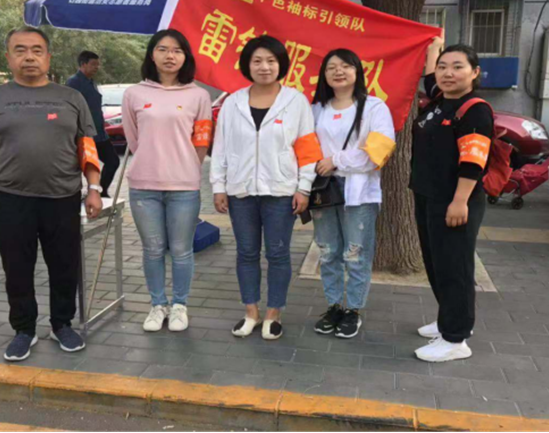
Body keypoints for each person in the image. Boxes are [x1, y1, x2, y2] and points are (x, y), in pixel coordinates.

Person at [0, 27, 103, 363]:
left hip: (62, 196)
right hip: (11, 197)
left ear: (48, 57)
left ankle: (61, 324)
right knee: (17, 267)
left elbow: (87, 148)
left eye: (37, 50)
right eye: (21, 50)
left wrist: (94, 189)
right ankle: (24, 329)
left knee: (65, 265)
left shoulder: (71, 98)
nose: (29, 57)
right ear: (8, 57)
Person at [211, 35, 322, 341]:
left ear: (280, 65)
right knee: (246, 253)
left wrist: (303, 187)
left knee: (278, 253)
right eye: (257, 61)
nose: (264, 67)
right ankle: (251, 312)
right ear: (247, 65)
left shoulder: (295, 101)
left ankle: (274, 313)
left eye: (271, 61)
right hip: (241, 192)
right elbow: (220, 148)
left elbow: (307, 149)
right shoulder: (232, 102)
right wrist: (218, 186)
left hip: (281, 191)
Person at [121, 29, 212, 334]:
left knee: (182, 250)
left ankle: (179, 305)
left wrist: (186, 167)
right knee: (153, 249)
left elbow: (202, 139)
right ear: (152, 54)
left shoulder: (198, 95)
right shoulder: (134, 94)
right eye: (162, 49)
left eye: (177, 50)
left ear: (186, 56)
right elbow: (134, 139)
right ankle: (157, 304)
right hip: (143, 186)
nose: (170, 56)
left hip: (184, 186)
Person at [411, 38, 494, 363]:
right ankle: (447, 319)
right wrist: (435, 45)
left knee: (454, 267)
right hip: (428, 196)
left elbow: (474, 160)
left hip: (455, 200)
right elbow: (429, 78)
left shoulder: (474, 110)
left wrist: (460, 201)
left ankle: (456, 338)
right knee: (436, 263)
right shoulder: (439, 100)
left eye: (458, 67)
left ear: (474, 72)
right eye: (443, 67)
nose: (447, 73)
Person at [311, 49, 397, 340]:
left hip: (359, 194)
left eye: (345, 66)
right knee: (328, 252)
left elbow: (377, 153)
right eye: (331, 67)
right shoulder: (316, 109)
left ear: (357, 71)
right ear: (323, 74)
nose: (338, 71)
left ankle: (354, 309)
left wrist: (336, 160)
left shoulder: (374, 107)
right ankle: (334, 306)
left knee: (356, 254)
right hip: (323, 192)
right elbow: (305, 149)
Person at [67, 51, 121, 198]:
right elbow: (69, 109)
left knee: (113, 161)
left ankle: (101, 192)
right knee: (81, 166)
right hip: (83, 135)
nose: (97, 67)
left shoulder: (91, 82)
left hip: (100, 134)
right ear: (83, 64)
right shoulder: (74, 83)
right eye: (93, 64)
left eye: (98, 64)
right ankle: (75, 196)